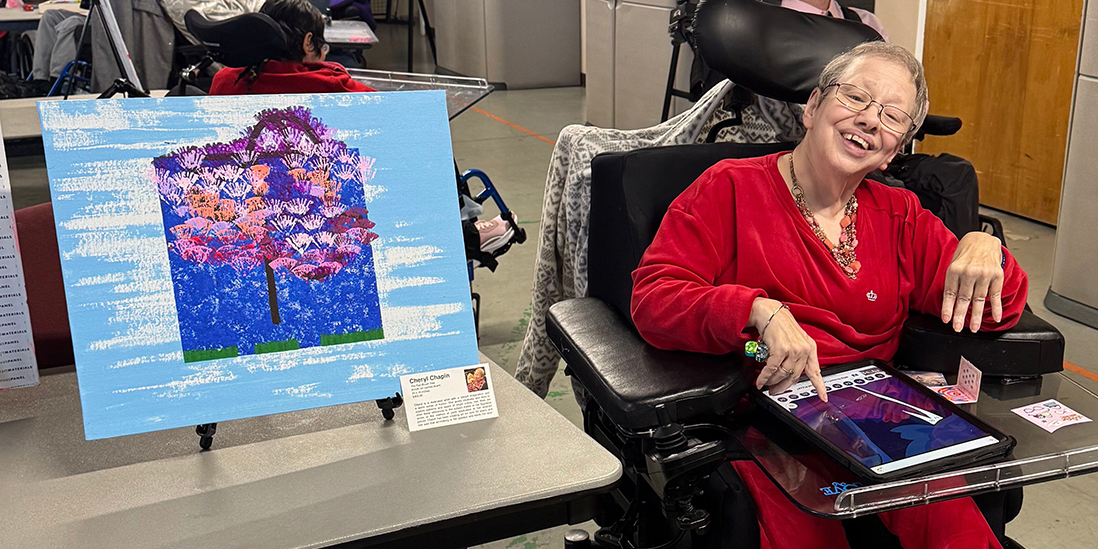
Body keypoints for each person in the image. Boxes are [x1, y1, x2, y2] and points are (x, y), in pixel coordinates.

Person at [631, 42, 1026, 549]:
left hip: (880, 418)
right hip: (763, 415)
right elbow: (655, 299)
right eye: (856, 97)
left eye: (891, 116)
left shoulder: (901, 215)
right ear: (813, 106)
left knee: (961, 535)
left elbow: (994, 309)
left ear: (895, 149)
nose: (868, 120)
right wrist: (756, 309)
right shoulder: (728, 189)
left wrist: (984, 245)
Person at [208, 0, 374, 94]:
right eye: (322, 46)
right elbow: (389, 113)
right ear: (308, 43)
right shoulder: (333, 85)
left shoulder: (225, 79)